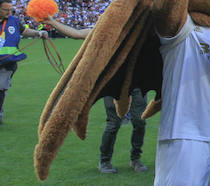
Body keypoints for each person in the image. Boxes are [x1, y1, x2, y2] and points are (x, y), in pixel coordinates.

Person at [44, 15, 149, 173]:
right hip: (113, 83)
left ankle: (136, 159)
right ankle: (104, 161)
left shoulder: (141, 34)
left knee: (139, 121)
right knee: (113, 123)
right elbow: (76, 33)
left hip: (137, 83)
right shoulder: (104, 32)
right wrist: (52, 22)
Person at [0, 0, 49, 123]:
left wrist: (38, 33)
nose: (9, 12)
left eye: (10, 9)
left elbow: (24, 31)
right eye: (5, 10)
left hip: (7, 63)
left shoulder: (14, 21)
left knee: (0, 88)